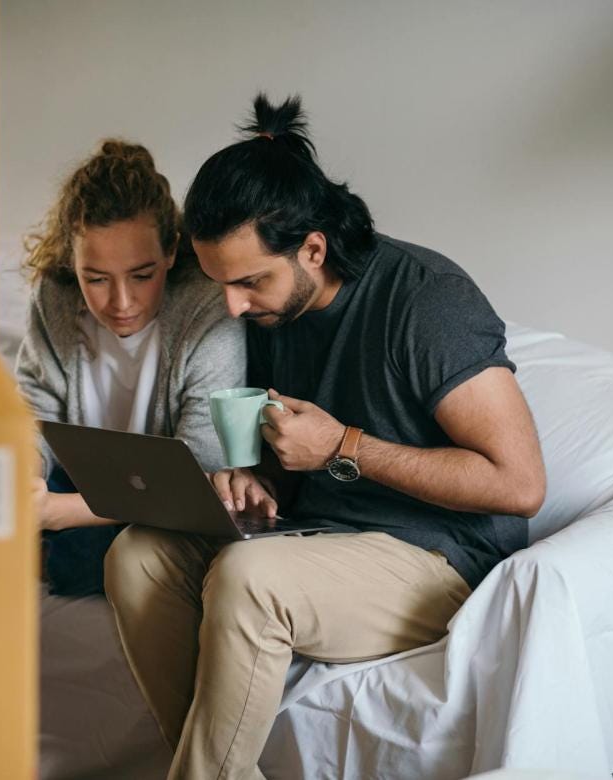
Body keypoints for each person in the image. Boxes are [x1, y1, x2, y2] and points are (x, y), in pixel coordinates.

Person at [103, 96, 547, 779]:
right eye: (224, 285)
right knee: (137, 555)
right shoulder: (275, 314)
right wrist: (258, 481)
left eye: (251, 282)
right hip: (319, 537)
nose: (233, 307)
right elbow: (295, 457)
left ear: (312, 247)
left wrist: (344, 446)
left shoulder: (428, 301)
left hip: (442, 558)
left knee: (249, 579)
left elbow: (519, 485)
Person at [15, 139, 245, 597]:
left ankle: (49, 558)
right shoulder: (55, 298)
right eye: (95, 279)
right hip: (75, 478)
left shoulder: (208, 309)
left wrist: (61, 514)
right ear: (72, 263)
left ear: (172, 252)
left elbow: (202, 473)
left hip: (167, 499)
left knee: (142, 552)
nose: (121, 303)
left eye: (142, 275)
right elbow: (32, 420)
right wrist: (26, 483)